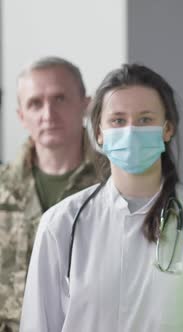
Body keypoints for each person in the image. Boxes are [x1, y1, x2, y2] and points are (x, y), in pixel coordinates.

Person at [20, 64, 183, 331]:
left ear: (167, 129)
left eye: (145, 119)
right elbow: (38, 324)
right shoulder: (62, 223)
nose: (131, 131)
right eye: (118, 121)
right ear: (99, 132)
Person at [0, 56, 99, 332]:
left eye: (60, 99)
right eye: (35, 103)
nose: (48, 114)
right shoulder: (3, 188)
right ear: (21, 116)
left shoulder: (115, 185)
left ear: (85, 104)